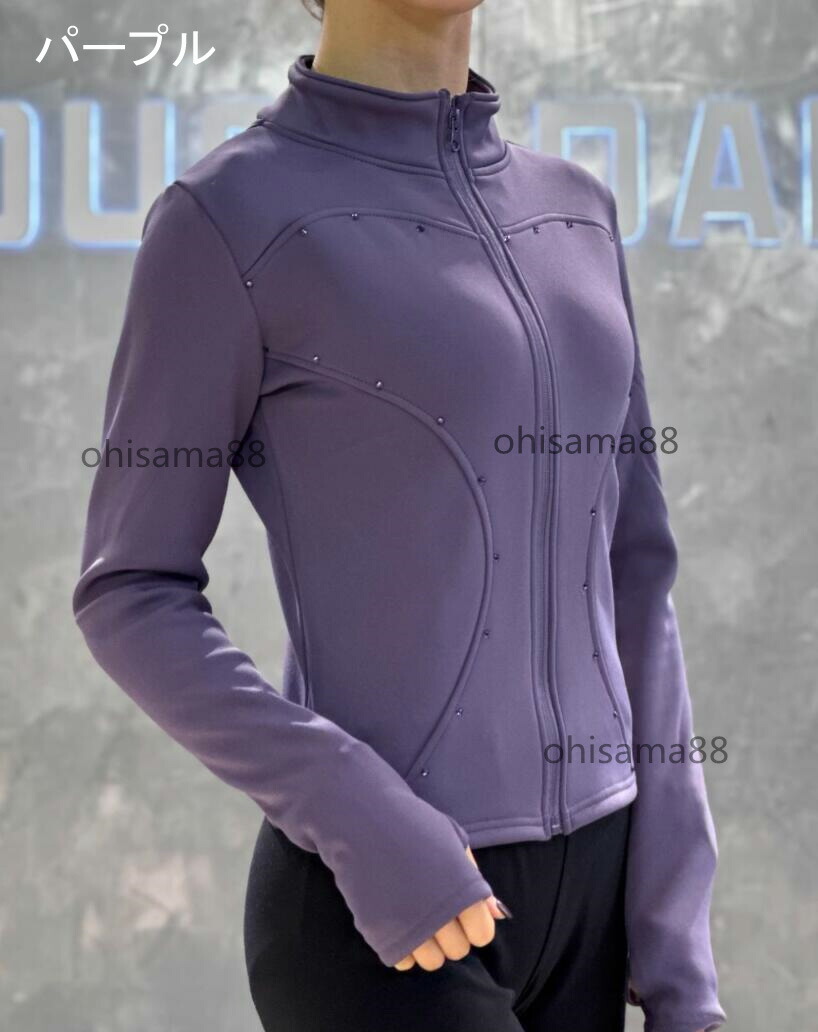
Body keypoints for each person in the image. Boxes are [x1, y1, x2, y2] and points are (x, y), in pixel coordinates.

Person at [72, 1, 727, 1030]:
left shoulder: (577, 210)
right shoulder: (228, 216)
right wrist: (357, 814)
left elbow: (635, 570)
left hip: (596, 913)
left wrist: (677, 944)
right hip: (385, 917)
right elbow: (129, 590)